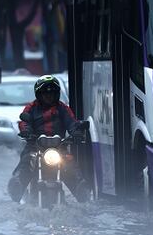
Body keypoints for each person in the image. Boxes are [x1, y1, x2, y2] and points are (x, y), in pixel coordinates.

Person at [7, 75, 90, 203]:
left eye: (52, 93)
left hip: (59, 147)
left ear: (57, 94)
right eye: (45, 93)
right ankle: (17, 185)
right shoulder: (31, 108)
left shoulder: (63, 108)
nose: (49, 96)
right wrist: (26, 131)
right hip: (35, 145)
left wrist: (77, 132)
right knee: (27, 160)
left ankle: (81, 190)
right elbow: (24, 122)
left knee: (69, 163)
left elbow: (72, 122)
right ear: (39, 94)